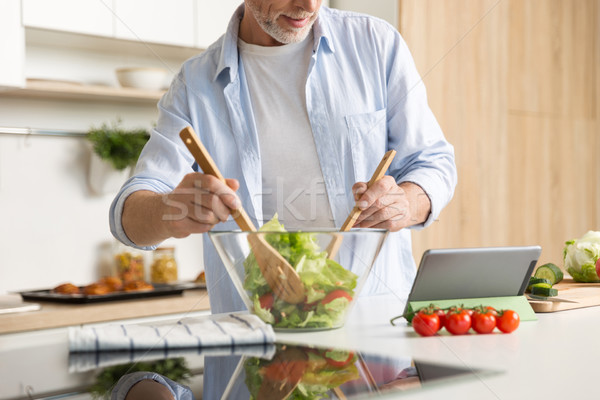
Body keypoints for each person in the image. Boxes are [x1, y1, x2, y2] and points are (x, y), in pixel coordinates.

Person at [110, 0, 457, 314]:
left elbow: (434, 162)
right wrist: (172, 208)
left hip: (377, 336)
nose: (308, 5)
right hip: (253, 351)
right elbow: (129, 219)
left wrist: (408, 203)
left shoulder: (375, 44)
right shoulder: (194, 84)